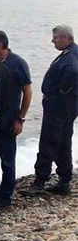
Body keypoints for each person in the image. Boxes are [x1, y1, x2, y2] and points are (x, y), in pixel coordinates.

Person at [26, 25, 78, 196]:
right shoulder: (72, 53)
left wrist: (63, 91)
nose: (53, 41)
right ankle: (64, 180)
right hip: (67, 106)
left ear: (65, 38)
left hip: (58, 106)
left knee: (49, 141)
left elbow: (72, 71)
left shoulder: (70, 56)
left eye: (55, 38)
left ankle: (40, 181)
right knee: (63, 141)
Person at [0, 31, 32, 210]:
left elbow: (27, 92)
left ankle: (5, 197)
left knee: (7, 160)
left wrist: (20, 118)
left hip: (10, 119)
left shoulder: (17, 63)